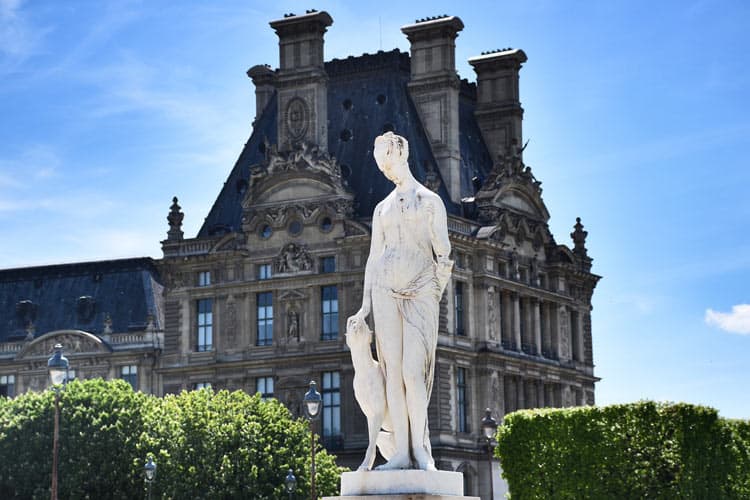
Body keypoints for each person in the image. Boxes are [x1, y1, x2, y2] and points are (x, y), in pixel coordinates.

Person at [348, 132, 452, 471]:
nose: (382, 167)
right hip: (384, 291)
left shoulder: (430, 201)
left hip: (421, 289)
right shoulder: (381, 209)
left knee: (413, 372)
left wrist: (436, 288)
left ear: (400, 152)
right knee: (392, 373)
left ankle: (421, 450)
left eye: (384, 158)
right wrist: (365, 306)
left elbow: (444, 252)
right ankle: (402, 454)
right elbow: (373, 258)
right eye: (378, 162)